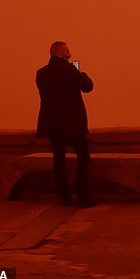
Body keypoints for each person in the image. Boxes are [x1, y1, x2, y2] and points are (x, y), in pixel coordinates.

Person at [36, 41, 95, 207]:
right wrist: (81, 73)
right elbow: (88, 87)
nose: (70, 54)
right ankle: (83, 196)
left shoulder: (41, 73)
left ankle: (66, 197)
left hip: (52, 125)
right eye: (68, 51)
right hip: (72, 124)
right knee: (83, 156)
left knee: (59, 160)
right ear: (61, 53)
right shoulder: (71, 71)